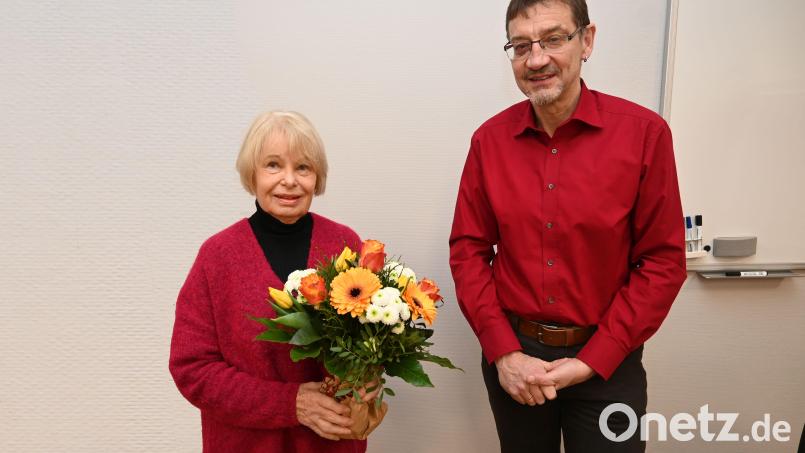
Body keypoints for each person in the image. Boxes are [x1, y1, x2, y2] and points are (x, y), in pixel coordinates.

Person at [448, 1, 687, 451]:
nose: (536, 59)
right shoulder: (488, 142)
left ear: (587, 41)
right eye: (521, 46)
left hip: (607, 364)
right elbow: (467, 250)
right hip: (516, 364)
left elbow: (663, 262)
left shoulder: (645, 135)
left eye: (553, 39)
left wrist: (596, 359)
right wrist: (504, 352)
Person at [169, 111, 376, 452]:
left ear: (317, 177)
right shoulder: (217, 257)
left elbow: (370, 344)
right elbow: (192, 369)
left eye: (303, 168)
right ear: (253, 172)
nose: (289, 180)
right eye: (273, 165)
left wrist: (367, 377)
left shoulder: (345, 245)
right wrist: (290, 403)